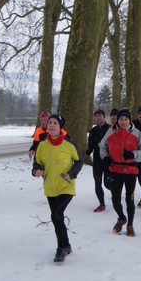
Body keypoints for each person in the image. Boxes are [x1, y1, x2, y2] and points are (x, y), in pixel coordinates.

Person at [32, 114, 83, 262]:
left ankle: (61, 249)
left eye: (55, 123)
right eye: (49, 123)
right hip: (50, 187)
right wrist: (36, 171)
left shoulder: (69, 144)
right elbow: (37, 163)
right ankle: (66, 244)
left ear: (60, 127)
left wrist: (72, 174)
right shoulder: (42, 145)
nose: (51, 125)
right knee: (57, 218)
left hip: (66, 187)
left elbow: (79, 161)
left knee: (56, 215)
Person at [99, 109, 141, 237]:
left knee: (129, 199)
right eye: (121, 119)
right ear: (117, 120)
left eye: (126, 119)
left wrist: (133, 154)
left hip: (131, 170)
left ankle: (130, 224)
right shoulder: (110, 132)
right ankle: (121, 218)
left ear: (129, 120)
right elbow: (102, 146)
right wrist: (105, 156)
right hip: (115, 169)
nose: (123, 122)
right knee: (115, 199)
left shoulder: (136, 133)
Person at [86, 109, 111, 212]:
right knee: (97, 182)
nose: (98, 118)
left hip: (108, 160)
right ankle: (102, 204)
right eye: (96, 116)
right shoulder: (93, 131)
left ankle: (115, 192)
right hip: (97, 161)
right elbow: (91, 143)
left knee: (107, 183)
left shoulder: (110, 129)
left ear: (104, 117)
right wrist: (89, 150)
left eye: (100, 116)